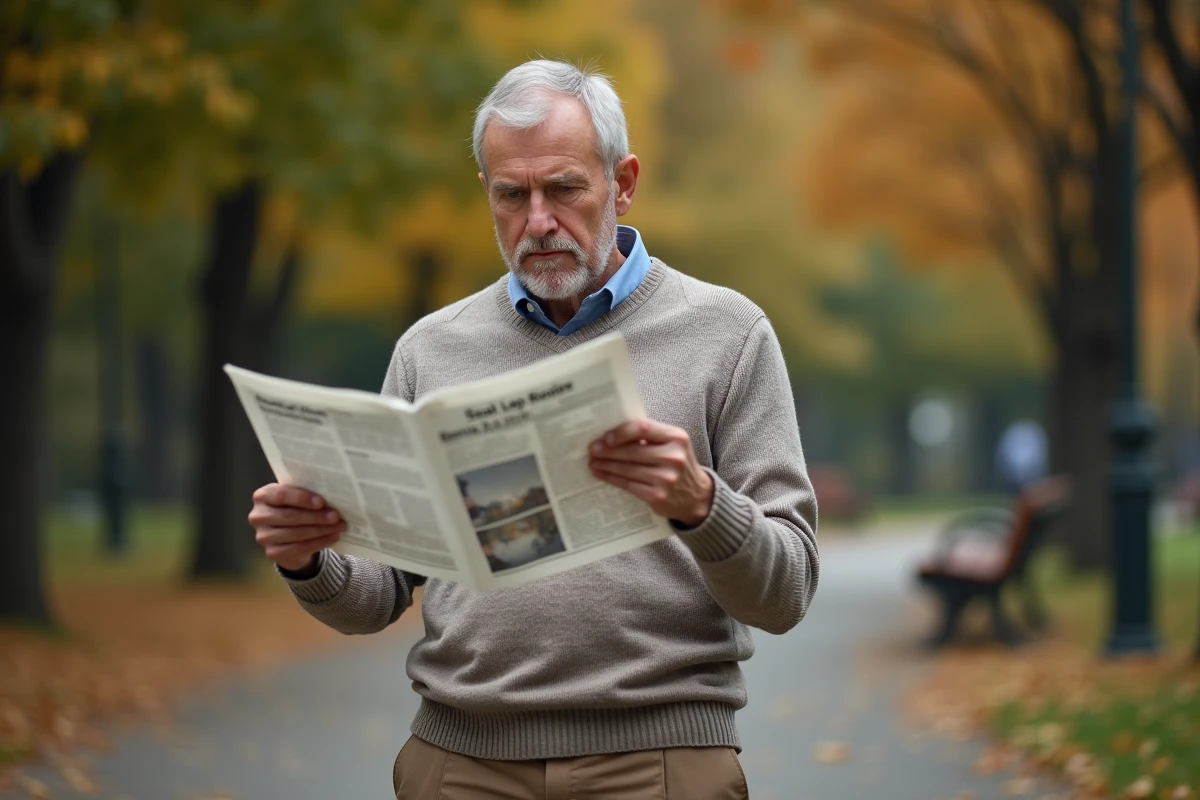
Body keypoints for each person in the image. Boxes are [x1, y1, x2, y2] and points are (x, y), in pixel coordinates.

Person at [247, 60, 819, 799]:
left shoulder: (728, 334)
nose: (538, 221)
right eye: (511, 195)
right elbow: (379, 593)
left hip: (662, 761)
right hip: (460, 761)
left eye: (564, 188)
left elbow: (787, 593)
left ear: (623, 181)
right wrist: (308, 562)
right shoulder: (431, 348)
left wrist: (702, 506)